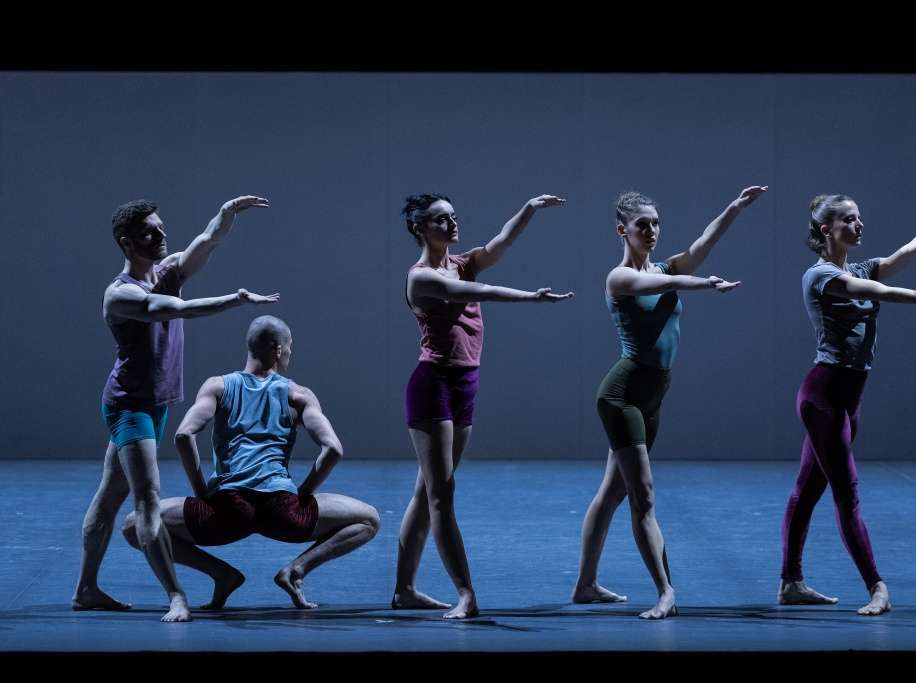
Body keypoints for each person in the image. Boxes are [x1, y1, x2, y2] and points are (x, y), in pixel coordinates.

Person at [779, 194, 916, 616]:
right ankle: (877, 586)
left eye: (860, 217)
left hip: (847, 398)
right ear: (827, 230)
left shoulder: (856, 266)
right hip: (823, 396)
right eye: (849, 219)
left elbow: (903, 256)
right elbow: (884, 292)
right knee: (847, 493)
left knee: (806, 492)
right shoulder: (821, 276)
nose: (859, 225)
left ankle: (790, 582)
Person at [72, 196, 279, 622]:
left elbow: (205, 242)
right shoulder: (121, 294)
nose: (161, 235)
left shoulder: (166, 271)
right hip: (129, 407)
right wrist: (234, 300)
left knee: (111, 495)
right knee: (147, 499)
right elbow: (172, 309)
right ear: (127, 243)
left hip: (155, 402)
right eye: (150, 231)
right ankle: (177, 595)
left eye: (162, 227)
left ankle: (86, 590)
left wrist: (226, 215)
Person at [572, 187, 768, 619]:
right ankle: (665, 591)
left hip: (653, 394)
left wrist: (733, 207)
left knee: (612, 492)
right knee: (643, 495)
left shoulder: (665, 264)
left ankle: (585, 585)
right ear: (623, 230)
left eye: (657, 223)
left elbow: (702, 245)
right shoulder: (618, 277)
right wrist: (703, 283)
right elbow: (666, 282)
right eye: (643, 225)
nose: (652, 231)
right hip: (622, 394)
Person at [392, 193, 573, 619]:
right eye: (440, 220)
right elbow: (479, 291)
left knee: (428, 490)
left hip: (464, 384)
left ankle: (404, 590)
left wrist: (527, 208)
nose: (452, 224)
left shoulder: (461, 261)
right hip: (432, 384)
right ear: (420, 228)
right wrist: (530, 298)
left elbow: (499, 244)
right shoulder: (420, 277)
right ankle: (466, 593)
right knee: (442, 495)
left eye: (454, 216)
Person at [122, 315, 379, 610]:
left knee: (135, 525)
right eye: (290, 347)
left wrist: (202, 491)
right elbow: (333, 449)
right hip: (284, 512)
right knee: (369, 519)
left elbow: (183, 435)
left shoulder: (217, 386)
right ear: (278, 349)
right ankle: (296, 570)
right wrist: (304, 492)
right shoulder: (299, 394)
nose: (290, 353)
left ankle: (221, 573)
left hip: (225, 513)